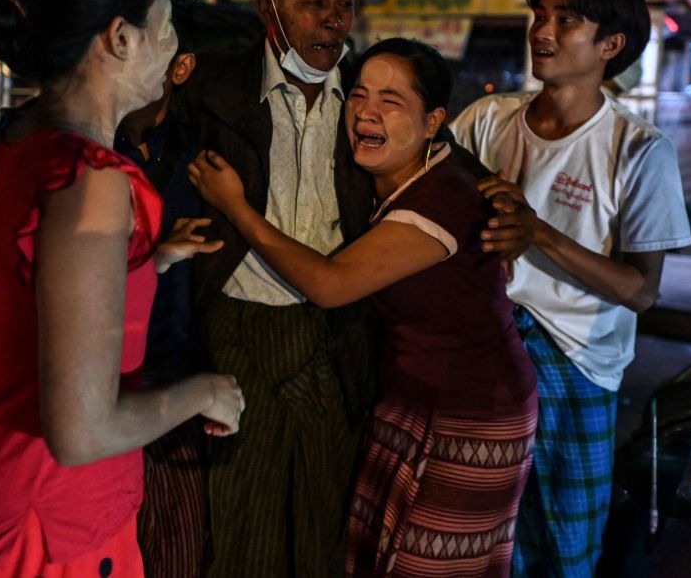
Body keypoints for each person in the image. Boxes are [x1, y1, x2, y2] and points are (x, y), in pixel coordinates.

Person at [0, 0, 245, 578]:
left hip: (16, 505)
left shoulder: (20, 140)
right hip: (45, 533)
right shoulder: (92, 180)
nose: (174, 43)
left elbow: (41, 289)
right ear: (120, 40)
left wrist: (151, 263)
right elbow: (81, 432)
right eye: (165, 22)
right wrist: (203, 393)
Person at [191, 37, 538, 577]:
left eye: (392, 101)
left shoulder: (444, 196)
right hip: (410, 401)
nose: (367, 113)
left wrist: (237, 208)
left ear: (432, 123)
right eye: (358, 95)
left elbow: (331, 284)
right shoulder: (394, 175)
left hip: (467, 415)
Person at [449, 0, 691, 577]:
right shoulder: (486, 121)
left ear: (610, 45)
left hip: (577, 365)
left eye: (567, 18)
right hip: (483, 348)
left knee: (564, 545)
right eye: (539, 14)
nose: (542, 30)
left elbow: (640, 291)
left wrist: (536, 234)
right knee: (478, 531)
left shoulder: (639, 150)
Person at [172, 0, 376, 577]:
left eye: (345, 3)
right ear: (269, 8)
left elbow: (436, 166)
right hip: (240, 328)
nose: (335, 22)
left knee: (323, 520)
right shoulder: (211, 87)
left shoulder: (371, 97)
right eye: (316, 2)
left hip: (335, 328)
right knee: (244, 522)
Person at [113, 0, 209, 578]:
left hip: (172, 365)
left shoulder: (202, 154)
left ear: (179, 65)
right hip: (99, 375)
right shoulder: (93, 147)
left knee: (176, 545)